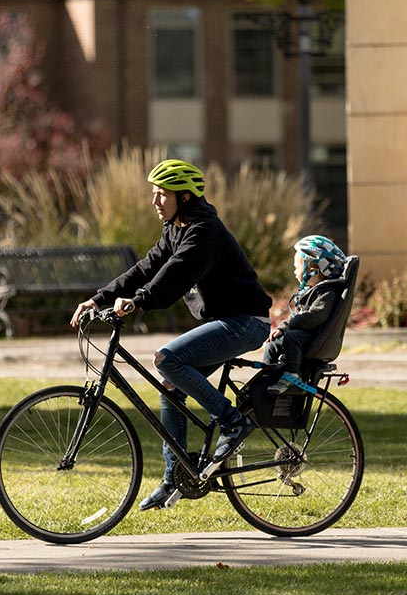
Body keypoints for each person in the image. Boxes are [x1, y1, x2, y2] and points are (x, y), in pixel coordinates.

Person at [70, 159, 272, 511]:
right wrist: (98, 298)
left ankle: (233, 421)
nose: (154, 201)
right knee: (170, 386)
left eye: (162, 194)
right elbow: (147, 267)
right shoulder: (176, 227)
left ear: (185, 196)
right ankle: (173, 479)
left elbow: (173, 276)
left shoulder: (204, 231)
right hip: (226, 321)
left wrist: (137, 302)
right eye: (154, 193)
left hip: (245, 323)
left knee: (167, 359)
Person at [263, 235, 348, 394]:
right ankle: (266, 377)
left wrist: (291, 326)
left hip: (314, 338)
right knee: (273, 344)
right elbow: (294, 317)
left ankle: (292, 377)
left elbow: (317, 316)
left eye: (297, 267)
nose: (294, 271)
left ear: (313, 269)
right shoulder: (312, 292)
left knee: (292, 337)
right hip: (304, 335)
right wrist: (281, 328)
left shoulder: (327, 293)